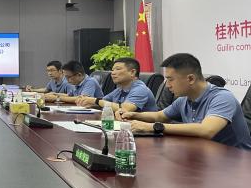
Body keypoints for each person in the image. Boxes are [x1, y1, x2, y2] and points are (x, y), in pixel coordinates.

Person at [120, 53, 251, 149]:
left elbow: (206, 130)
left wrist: (153, 127)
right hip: (203, 154)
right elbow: (159, 116)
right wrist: (133, 115)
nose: (167, 85)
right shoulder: (184, 100)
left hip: (236, 162)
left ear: (191, 79)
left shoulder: (222, 97)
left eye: (170, 79)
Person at [76, 57, 158, 113]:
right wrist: (87, 101)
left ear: (132, 72)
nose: (113, 73)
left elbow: (124, 109)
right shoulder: (120, 89)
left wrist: (95, 101)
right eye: (112, 70)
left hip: (144, 131)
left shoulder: (140, 89)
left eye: (118, 69)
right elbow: (103, 102)